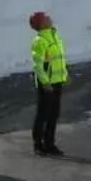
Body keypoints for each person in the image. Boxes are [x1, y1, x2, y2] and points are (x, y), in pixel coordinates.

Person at [29, 10, 69, 156]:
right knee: (43, 114)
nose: (49, 18)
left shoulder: (54, 36)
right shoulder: (40, 41)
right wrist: (45, 83)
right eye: (46, 18)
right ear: (42, 23)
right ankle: (38, 144)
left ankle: (50, 143)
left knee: (53, 115)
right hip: (47, 84)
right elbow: (38, 65)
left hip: (56, 81)